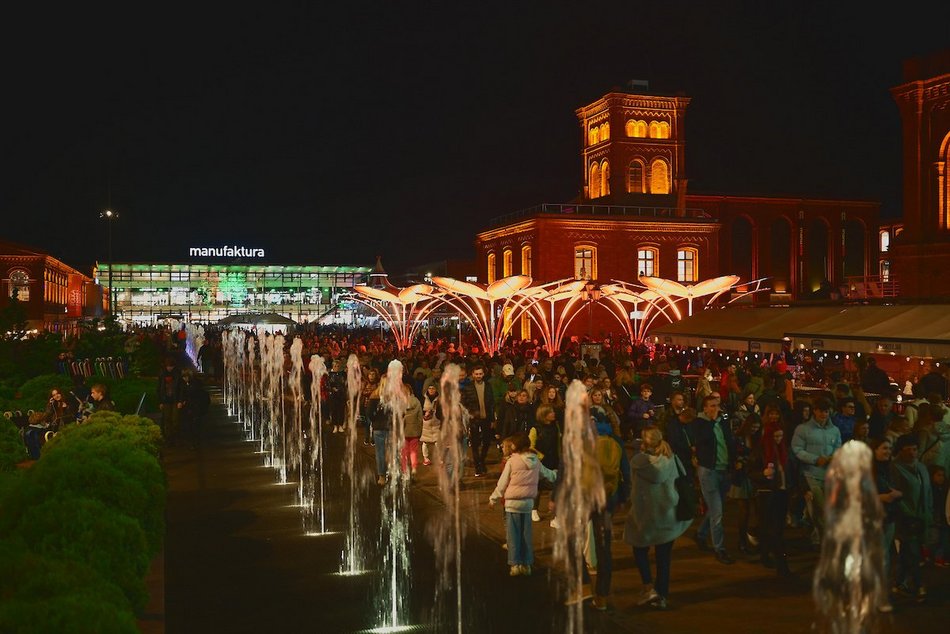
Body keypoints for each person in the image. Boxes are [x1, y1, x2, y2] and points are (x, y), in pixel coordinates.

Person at [623, 425, 693, 610]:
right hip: (667, 513)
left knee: (639, 549)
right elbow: (682, 479)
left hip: (644, 514)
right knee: (664, 558)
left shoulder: (638, 461)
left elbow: (633, 485)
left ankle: (648, 586)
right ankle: (662, 596)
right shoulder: (670, 459)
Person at [488, 432, 557, 576]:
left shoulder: (512, 462)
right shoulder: (535, 461)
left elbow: (502, 483)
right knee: (526, 535)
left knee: (513, 535)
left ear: (515, 446)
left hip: (512, 504)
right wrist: (560, 473)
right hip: (527, 504)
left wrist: (493, 498)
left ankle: (515, 564)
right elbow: (549, 475)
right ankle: (527, 564)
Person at [584, 408, 631, 610]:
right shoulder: (616, 442)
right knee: (605, 549)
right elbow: (625, 474)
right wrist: (623, 498)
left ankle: (584, 586)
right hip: (609, 499)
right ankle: (602, 595)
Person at [791, 397, 842, 546]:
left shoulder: (834, 430)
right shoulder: (803, 429)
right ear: (815, 411)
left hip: (829, 476)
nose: (824, 414)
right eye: (821, 411)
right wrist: (815, 459)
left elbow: (838, 447)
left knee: (821, 510)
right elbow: (797, 450)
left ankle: (814, 535)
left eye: (826, 411)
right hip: (810, 474)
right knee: (820, 509)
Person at [693, 394, 737, 564]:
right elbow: (702, 439)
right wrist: (711, 421)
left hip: (723, 470)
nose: (714, 409)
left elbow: (729, 441)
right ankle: (720, 549)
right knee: (717, 512)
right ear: (704, 408)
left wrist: (734, 461)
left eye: (716, 405)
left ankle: (701, 534)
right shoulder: (699, 423)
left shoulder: (723, 421)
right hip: (709, 471)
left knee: (715, 508)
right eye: (711, 406)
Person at [891, 433, 933, 602]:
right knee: (914, 553)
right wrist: (908, 514)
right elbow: (896, 495)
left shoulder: (921, 467)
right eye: (908, 450)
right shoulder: (895, 468)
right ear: (900, 451)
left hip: (922, 517)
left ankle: (899, 582)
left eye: (915, 449)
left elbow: (927, 493)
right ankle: (918, 584)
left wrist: (928, 512)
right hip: (906, 519)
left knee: (907, 553)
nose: (912, 453)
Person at [751, 418, 792, 576]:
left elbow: (788, 471)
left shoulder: (783, 450)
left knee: (777, 529)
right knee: (774, 530)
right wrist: (763, 474)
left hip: (781, 492)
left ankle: (766, 555)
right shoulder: (761, 450)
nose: (778, 439)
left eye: (780, 436)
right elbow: (751, 472)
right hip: (767, 494)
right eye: (775, 437)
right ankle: (781, 565)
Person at [870, 437, 901, 612]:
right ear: (874, 450)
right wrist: (884, 497)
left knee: (884, 556)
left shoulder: (890, 469)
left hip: (888, 517)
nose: (887, 452)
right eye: (883, 448)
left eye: (889, 449)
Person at [729, 413, 762, 555]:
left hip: (753, 475)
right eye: (753, 427)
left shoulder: (757, 438)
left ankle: (753, 535)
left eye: (757, 427)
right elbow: (733, 455)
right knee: (744, 509)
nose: (755, 429)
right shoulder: (738, 437)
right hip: (742, 476)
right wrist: (739, 462)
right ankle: (742, 541)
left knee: (757, 508)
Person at [529, 403, 561, 525]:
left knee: (555, 486)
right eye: (551, 412)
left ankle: (554, 515)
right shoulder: (535, 429)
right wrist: (541, 457)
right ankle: (534, 509)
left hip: (554, 460)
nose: (554, 414)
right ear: (544, 415)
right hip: (540, 462)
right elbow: (531, 447)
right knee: (538, 487)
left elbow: (558, 443)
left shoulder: (555, 426)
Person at [461, 365, 495, 476]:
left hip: (486, 418)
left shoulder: (488, 386)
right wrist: (469, 415)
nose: (478, 376)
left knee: (486, 442)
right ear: (473, 375)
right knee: (475, 444)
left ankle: (481, 460)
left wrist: (492, 418)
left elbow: (491, 403)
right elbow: (464, 404)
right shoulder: (468, 388)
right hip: (474, 419)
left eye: (480, 374)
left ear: (483, 374)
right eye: (476, 374)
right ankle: (478, 465)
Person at [180, 370, 210, 448]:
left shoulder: (194, 385)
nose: (184, 379)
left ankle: (195, 441)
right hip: (192, 407)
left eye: (185, 377)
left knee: (195, 424)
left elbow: (194, 395)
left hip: (195, 407)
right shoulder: (187, 384)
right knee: (192, 424)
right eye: (183, 377)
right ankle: (194, 441)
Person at [157, 357, 184, 444]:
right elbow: (159, 388)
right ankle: (169, 438)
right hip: (166, 400)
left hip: (175, 399)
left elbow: (181, 388)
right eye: (168, 366)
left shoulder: (177, 374)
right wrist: (160, 401)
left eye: (171, 366)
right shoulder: (162, 374)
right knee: (167, 419)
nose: (169, 368)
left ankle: (175, 436)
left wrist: (180, 400)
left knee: (175, 419)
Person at [400, 380, 423, 477]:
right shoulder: (417, 401)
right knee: (414, 451)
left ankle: (405, 471)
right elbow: (420, 417)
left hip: (403, 430)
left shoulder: (401, 402)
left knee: (404, 451)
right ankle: (413, 468)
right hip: (414, 430)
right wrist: (419, 429)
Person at [930, 466, 949, 567]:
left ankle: (941, 557)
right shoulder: (931, 489)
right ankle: (937, 557)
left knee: (943, 538)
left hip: (944, 516)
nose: (941, 478)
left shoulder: (945, 488)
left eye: (943, 475)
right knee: (935, 539)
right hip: (935, 517)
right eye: (938, 475)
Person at [420, 384, 441, 466]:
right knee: (425, 442)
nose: (431, 390)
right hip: (426, 425)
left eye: (433, 388)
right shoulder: (423, 399)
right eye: (430, 388)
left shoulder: (439, 399)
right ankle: (426, 458)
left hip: (437, 423)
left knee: (438, 442)